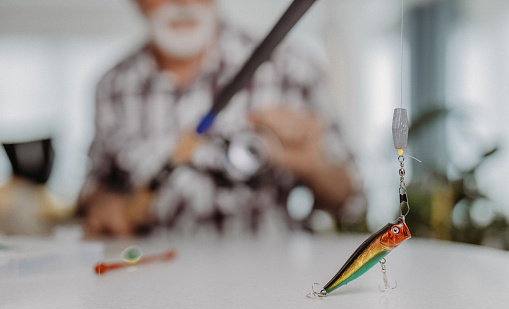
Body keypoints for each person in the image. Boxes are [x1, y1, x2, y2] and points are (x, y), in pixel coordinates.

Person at [78, 0, 362, 237]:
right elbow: (94, 188)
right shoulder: (112, 86)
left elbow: (353, 202)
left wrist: (315, 166)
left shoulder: (290, 67)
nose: (183, 3)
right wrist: (102, 205)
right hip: (151, 281)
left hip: (271, 282)